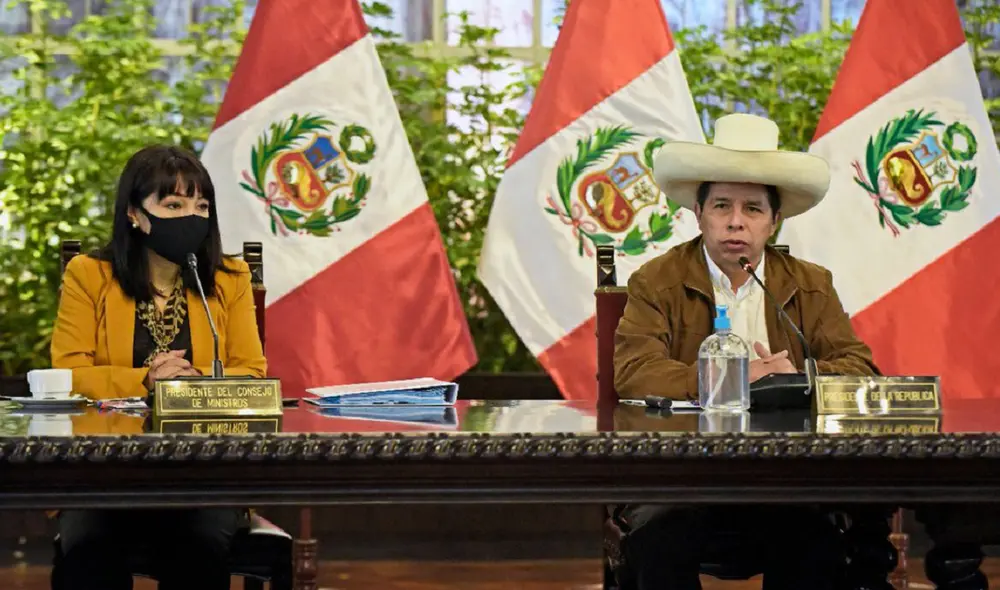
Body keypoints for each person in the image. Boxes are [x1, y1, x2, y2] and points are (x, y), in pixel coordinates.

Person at [611, 113, 881, 590]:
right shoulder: (655, 280)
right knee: (658, 538)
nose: (736, 222)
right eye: (721, 206)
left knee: (815, 539)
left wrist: (792, 375)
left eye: (753, 209)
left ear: (775, 221)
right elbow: (635, 371)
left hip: (786, 476)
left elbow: (859, 367)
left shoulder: (810, 283)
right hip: (681, 474)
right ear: (698, 214)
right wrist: (734, 377)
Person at [49, 144, 266, 590]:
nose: (191, 216)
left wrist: (194, 384)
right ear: (135, 214)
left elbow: (251, 372)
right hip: (102, 469)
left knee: (201, 550)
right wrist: (145, 380)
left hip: (204, 470)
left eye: (200, 205)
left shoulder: (229, 279)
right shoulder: (89, 275)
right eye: (173, 204)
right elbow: (67, 372)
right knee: (88, 552)